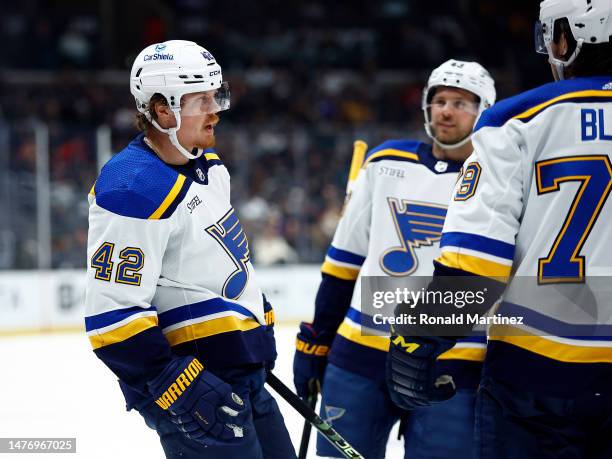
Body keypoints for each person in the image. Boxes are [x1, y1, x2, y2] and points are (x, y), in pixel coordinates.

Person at [387, 1, 612, 457]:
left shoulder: (516, 120)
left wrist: (421, 334)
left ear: (567, 39)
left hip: (538, 378)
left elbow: (476, 263)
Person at [84, 40, 296, 459]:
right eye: (202, 100)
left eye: (216, 95)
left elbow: (218, 266)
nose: (216, 110)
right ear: (163, 110)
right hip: (201, 388)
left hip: (241, 372)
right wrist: (176, 385)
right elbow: (111, 315)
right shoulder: (132, 187)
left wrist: (255, 326)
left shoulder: (209, 167)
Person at [293, 59, 496, 458]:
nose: (447, 111)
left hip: (454, 362)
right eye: (439, 100)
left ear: (485, 110)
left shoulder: (500, 179)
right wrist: (318, 340)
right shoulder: (386, 163)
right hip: (362, 352)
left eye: (462, 102)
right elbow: (342, 265)